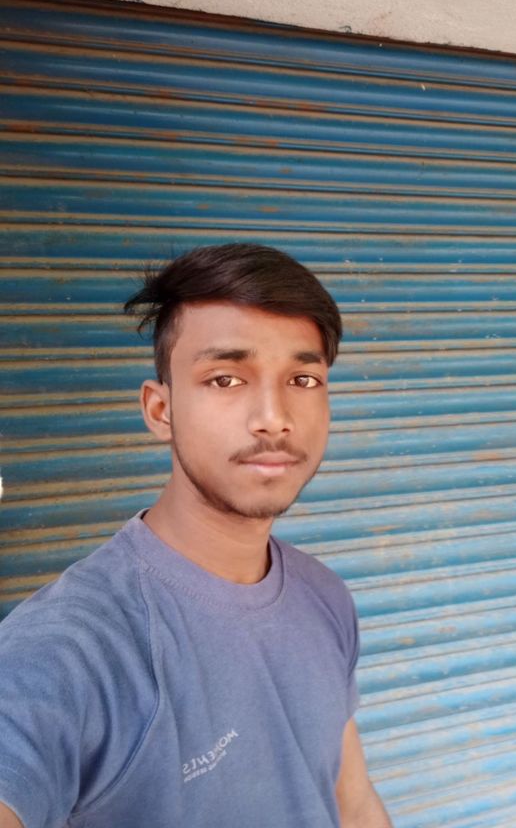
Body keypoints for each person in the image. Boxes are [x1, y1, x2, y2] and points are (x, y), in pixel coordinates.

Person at [0, 244, 392, 828]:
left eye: (303, 378)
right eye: (225, 378)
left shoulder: (325, 596)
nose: (274, 416)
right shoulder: (67, 651)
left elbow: (352, 802)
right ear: (161, 411)